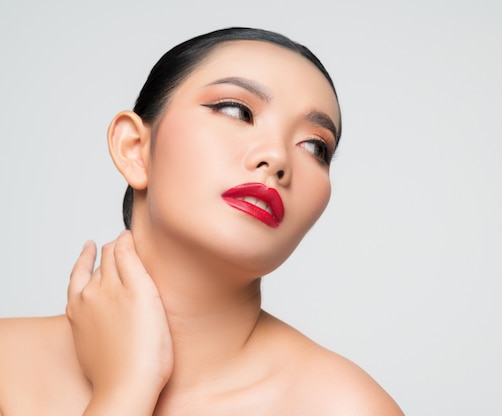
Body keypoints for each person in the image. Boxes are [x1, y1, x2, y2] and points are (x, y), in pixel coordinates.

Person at [0, 27, 403, 415]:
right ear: (134, 149)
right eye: (236, 110)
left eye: (315, 146)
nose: (277, 158)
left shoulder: (345, 407)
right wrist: (127, 388)